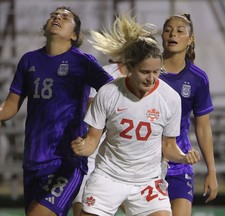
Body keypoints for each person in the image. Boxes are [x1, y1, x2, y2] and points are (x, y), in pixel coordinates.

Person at [71, 14, 201, 216]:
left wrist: (184, 158)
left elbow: (168, 147)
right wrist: (82, 147)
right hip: (108, 178)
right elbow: (92, 141)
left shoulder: (170, 98)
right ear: (129, 68)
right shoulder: (108, 93)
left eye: (156, 72)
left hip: (147, 182)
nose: (151, 79)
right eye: (145, 72)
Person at [0, 6, 113, 216]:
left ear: (74, 35)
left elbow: (113, 95)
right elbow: (10, 106)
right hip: (33, 160)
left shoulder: (83, 61)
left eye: (65, 17)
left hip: (66, 160)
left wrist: (92, 132)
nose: (57, 17)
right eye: (54, 15)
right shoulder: (29, 60)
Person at [159, 14, 219, 216]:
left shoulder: (198, 78)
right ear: (162, 36)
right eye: (168, 29)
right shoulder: (147, 71)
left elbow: (203, 127)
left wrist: (211, 171)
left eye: (179, 30)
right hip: (145, 160)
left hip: (179, 161)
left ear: (190, 39)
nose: (173, 34)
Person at [72, 62, 124, 216]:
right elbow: (90, 108)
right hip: (94, 152)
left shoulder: (154, 77)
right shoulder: (106, 73)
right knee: (83, 203)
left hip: (127, 158)